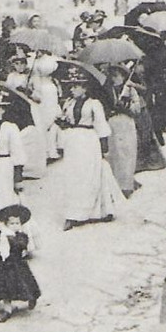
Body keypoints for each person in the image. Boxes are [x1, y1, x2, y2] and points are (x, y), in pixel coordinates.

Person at [59, 77, 121, 230]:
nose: (72, 89)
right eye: (71, 86)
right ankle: (73, 214)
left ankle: (97, 211)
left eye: (76, 86)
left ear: (85, 88)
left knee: (90, 175)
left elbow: (101, 124)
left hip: (88, 140)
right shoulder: (69, 103)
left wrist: (103, 146)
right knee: (74, 176)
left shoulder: (94, 104)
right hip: (73, 142)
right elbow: (66, 121)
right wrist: (62, 122)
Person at [0, 204, 41, 322]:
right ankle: (7, 309)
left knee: (25, 282)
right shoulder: (1, 234)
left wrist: (12, 239)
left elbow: (22, 245)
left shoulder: (21, 236)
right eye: (11, 224)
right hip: (4, 265)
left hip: (17, 264)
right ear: (6, 224)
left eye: (17, 223)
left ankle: (32, 297)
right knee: (4, 287)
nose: (15, 226)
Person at [6, 51, 46, 179]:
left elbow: (39, 97)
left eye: (22, 63)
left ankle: (33, 168)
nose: (20, 67)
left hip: (29, 107)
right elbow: (7, 91)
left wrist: (28, 91)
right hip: (15, 109)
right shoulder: (11, 77)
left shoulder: (33, 76)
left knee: (32, 135)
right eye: (17, 64)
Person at [106, 67, 142, 198]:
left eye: (117, 76)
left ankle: (126, 185)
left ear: (123, 76)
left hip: (126, 122)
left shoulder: (130, 90)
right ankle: (115, 183)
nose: (114, 78)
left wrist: (126, 106)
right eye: (112, 76)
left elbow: (137, 108)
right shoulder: (107, 90)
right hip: (112, 123)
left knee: (127, 152)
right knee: (114, 152)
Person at [0, 15, 17, 80]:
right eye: (12, 28)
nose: (14, 31)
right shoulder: (2, 42)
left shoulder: (15, 41)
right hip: (5, 70)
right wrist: (10, 59)